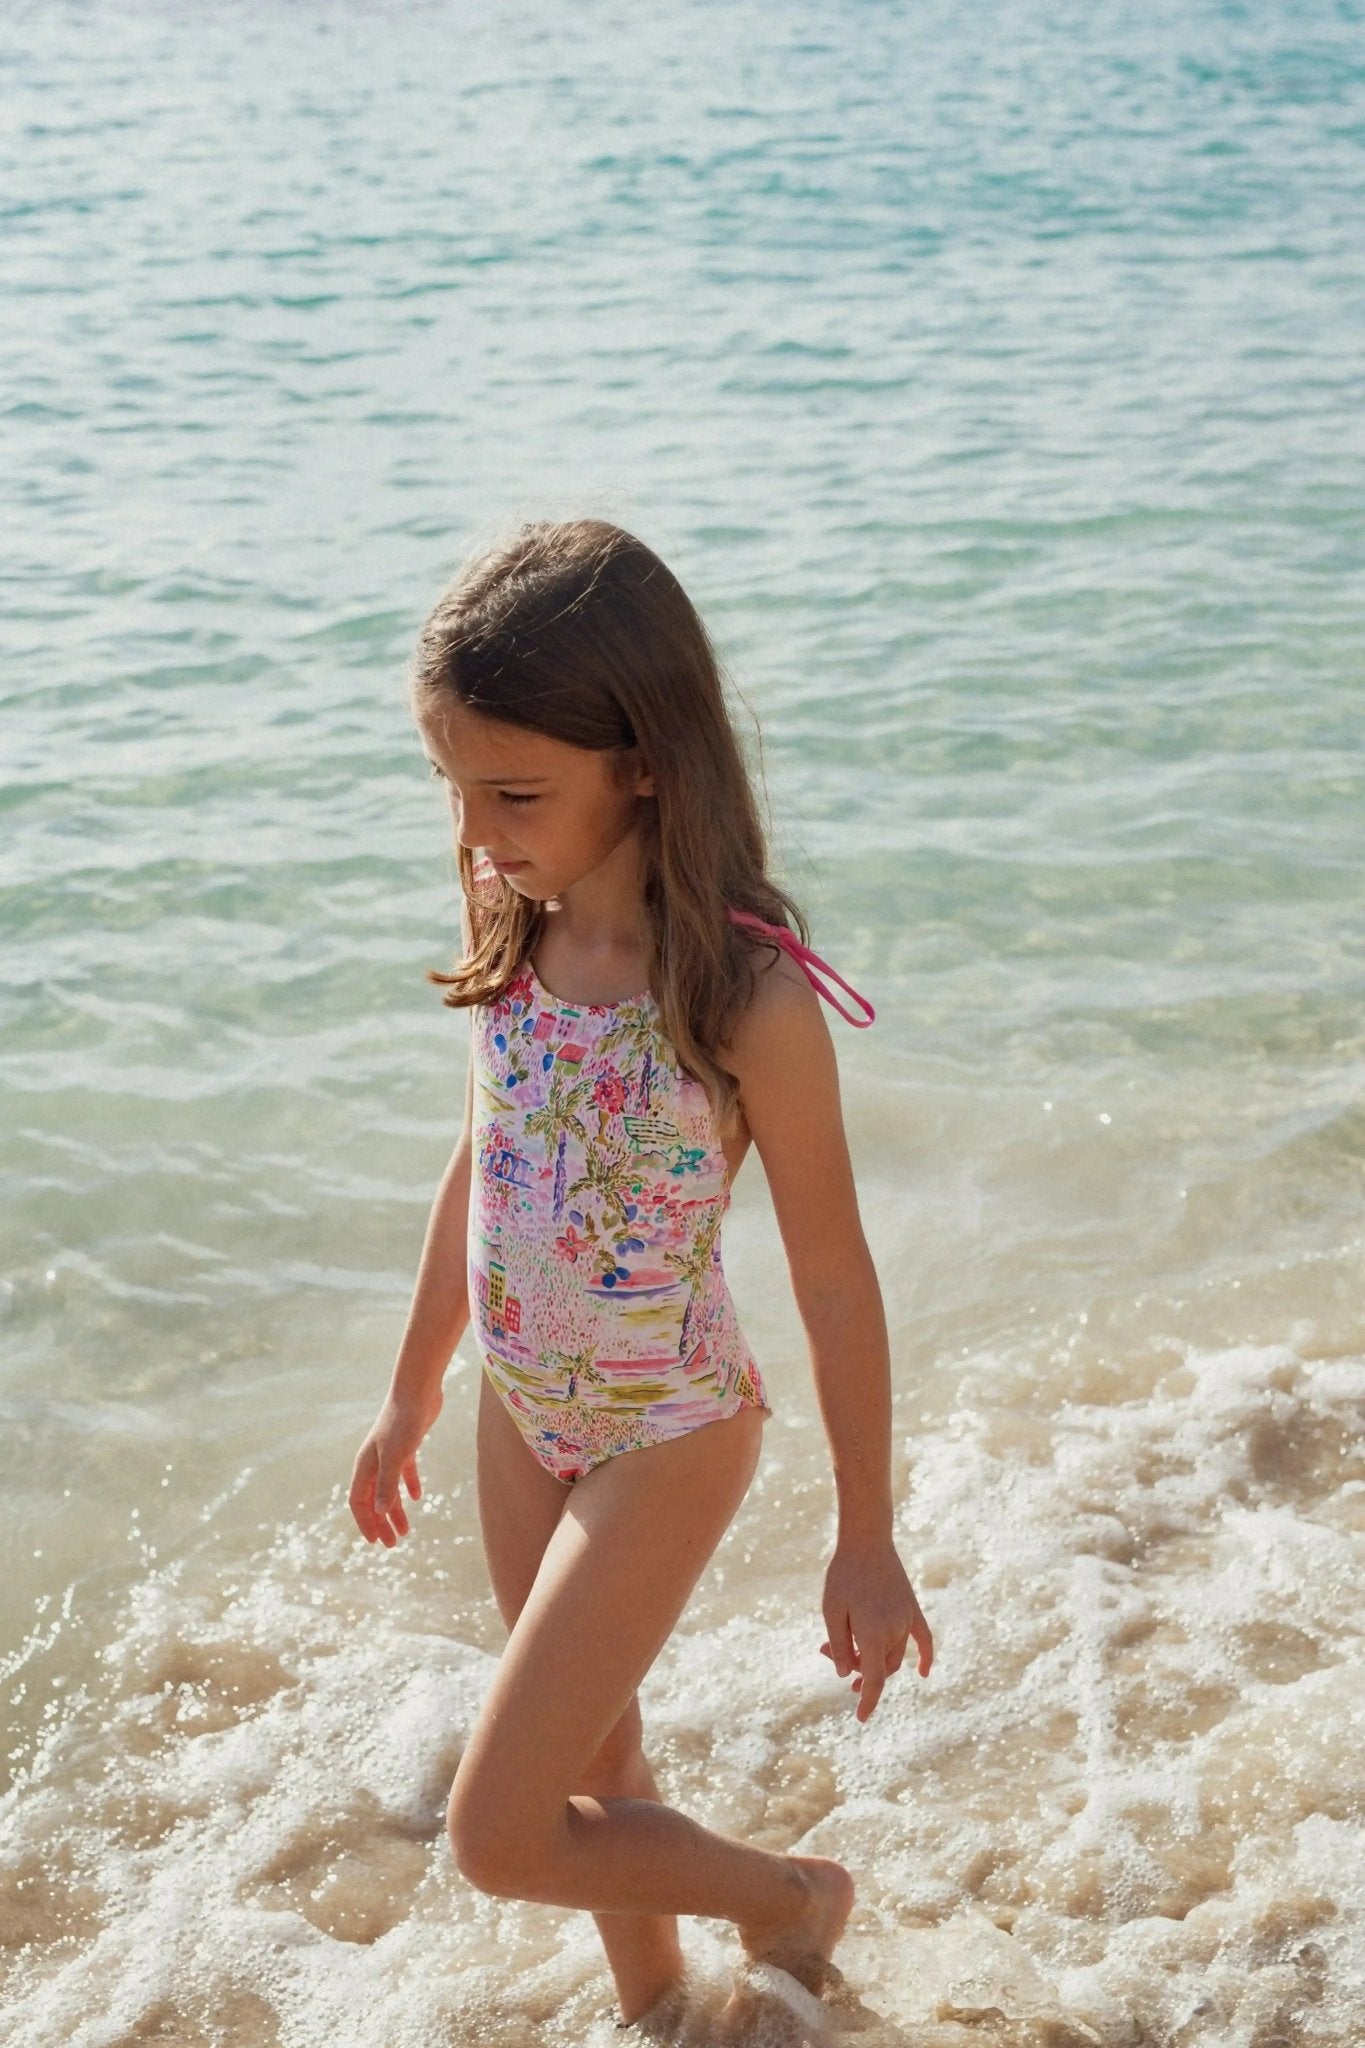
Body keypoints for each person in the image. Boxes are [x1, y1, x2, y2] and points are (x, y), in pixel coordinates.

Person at [348, 517, 933, 2035]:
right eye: (455, 787)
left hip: (665, 1427)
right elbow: (477, 1170)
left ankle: (793, 1900)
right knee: (595, 1772)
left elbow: (834, 1280)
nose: (476, 829)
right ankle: (662, 2012)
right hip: (515, 1408)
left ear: (649, 761)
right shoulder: (512, 928)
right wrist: (410, 1394)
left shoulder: (741, 996)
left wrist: (866, 1533)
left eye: (515, 791)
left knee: (499, 1832)